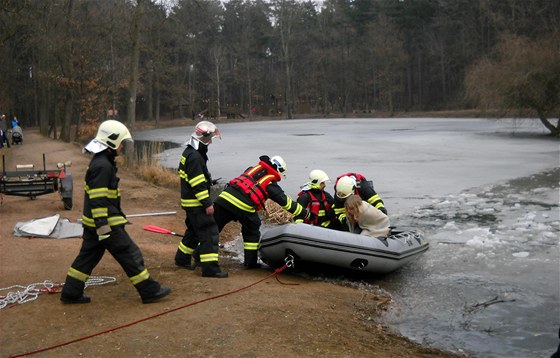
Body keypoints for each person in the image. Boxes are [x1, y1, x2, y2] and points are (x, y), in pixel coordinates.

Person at [61, 120, 171, 304]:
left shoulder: (101, 162)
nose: (121, 147)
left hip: (95, 223)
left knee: (87, 258)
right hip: (105, 224)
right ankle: (149, 291)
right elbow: (98, 199)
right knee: (130, 254)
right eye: (121, 143)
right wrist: (103, 226)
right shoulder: (103, 166)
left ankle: (70, 293)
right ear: (112, 142)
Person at [213, 155, 308, 268]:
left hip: (223, 199)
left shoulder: (252, 169)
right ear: (279, 169)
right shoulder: (270, 184)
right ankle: (250, 263)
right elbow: (286, 203)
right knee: (252, 229)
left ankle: (200, 254)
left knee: (212, 229)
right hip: (242, 205)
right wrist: (305, 213)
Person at [174, 121, 227, 278]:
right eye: (209, 139)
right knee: (209, 233)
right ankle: (210, 269)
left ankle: (182, 259)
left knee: (193, 232)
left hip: (189, 202)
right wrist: (207, 203)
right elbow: (197, 184)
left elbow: (192, 178)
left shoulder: (189, 152)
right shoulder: (195, 157)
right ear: (203, 138)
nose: (210, 142)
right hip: (197, 203)